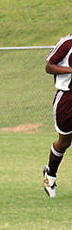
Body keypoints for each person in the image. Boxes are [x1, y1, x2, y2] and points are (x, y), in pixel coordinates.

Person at [43, 33, 72, 198]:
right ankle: (50, 174)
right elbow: (49, 67)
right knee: (64, 141)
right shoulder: (67, 43)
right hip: (67, 99)